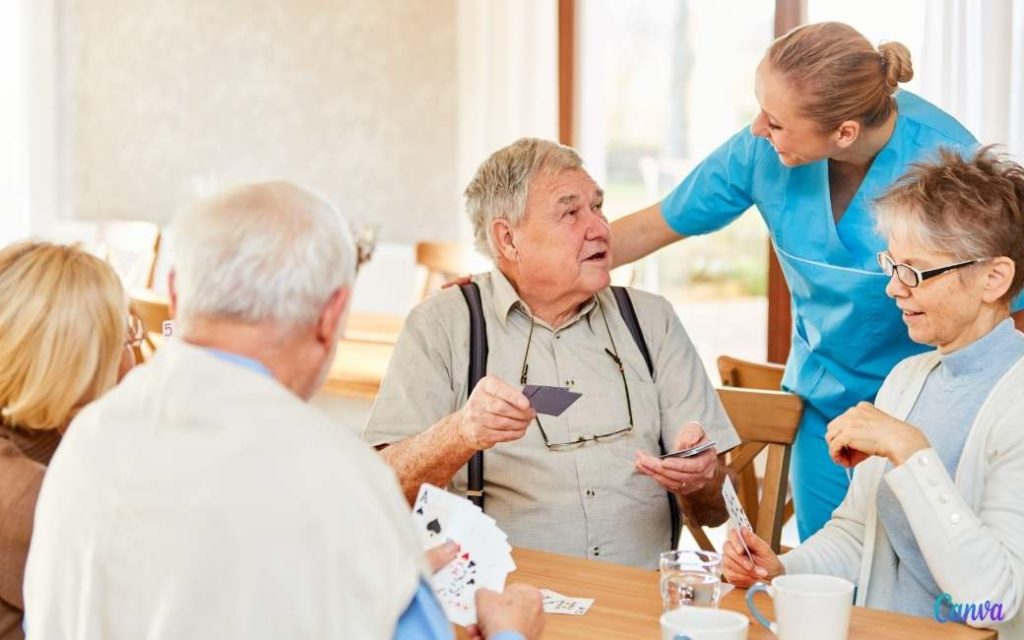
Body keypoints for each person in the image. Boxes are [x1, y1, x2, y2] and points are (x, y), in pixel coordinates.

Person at [23, 182, 542, 640]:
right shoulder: (343, 478)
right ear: (332, 315)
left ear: (177, 293)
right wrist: (509, 633)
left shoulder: (87, 439)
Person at [609, 21, 1024, 539]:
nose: (759, 127)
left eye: (776, 121)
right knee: (829, 567)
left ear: (844, 132)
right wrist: (515, 276)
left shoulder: (946, 159)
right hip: (823, 402)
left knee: (928, 573)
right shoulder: (764, 149)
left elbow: (1005, 298)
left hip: (931, 406)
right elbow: (651, 225)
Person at [363, 138, 741, 570]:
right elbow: (381, 491)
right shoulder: (443, 325)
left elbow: (715, 511)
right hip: (504, 601)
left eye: (597, 207)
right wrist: (461, 434)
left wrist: (701, 479)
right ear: (507, 239)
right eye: (570, 212)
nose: (600, 228)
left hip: (639, 602)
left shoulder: (652, 320)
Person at [723, 147, 1024, 637]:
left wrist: (911, 451)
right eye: (892, 265)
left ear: (994, 278)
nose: (893, 289)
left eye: (916, 271)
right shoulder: (908, 379)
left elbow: (992, 604)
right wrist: (783, 568)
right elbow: (859, 535)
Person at [0, 241, 137, 640]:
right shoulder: (29, 498)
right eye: (126, 339)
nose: (135, 361)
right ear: (72, 367)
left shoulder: (42, 431)